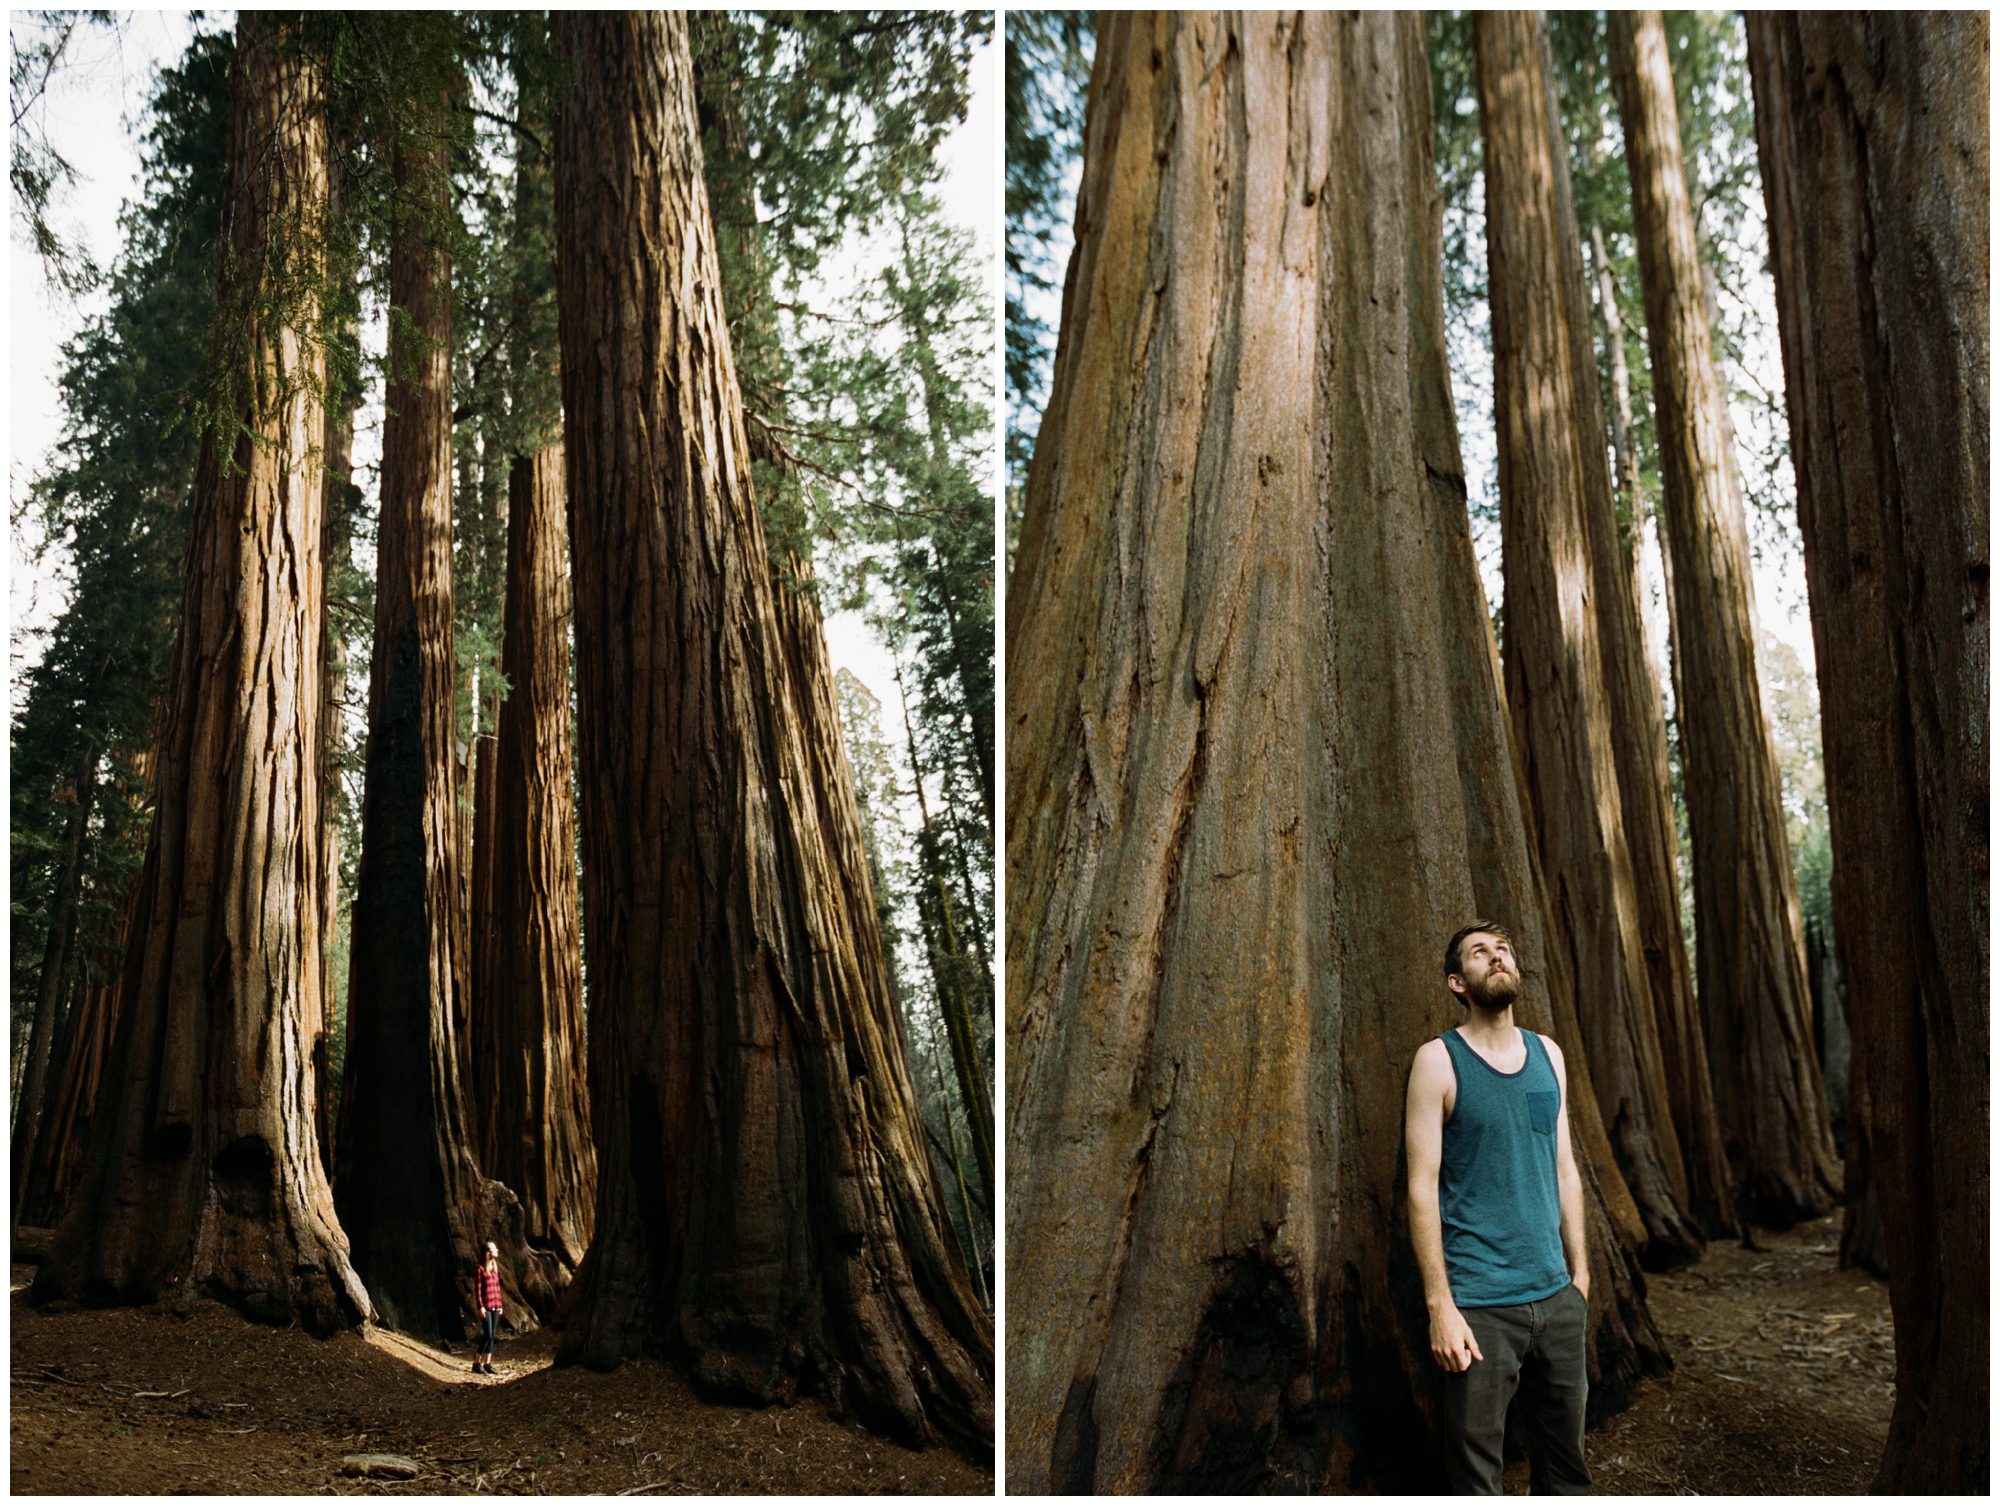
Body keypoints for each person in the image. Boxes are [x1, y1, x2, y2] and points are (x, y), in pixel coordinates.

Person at [1403, 922, 1591, 1494]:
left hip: (1556, 1298)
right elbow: (1421, 1188)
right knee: (1478, 1478)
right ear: (1458, 982)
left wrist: (1579, 1275)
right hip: (1480, 1308)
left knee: (1566, 1472)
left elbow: (1564, 1168)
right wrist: (1441, 1307)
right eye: (1481, 953)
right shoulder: (1438, 1061)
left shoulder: (1548, 1054)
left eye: (1503, 949)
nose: (1498, 956)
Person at [471, 1241, 504, 1377]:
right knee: (488, 1335)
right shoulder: (480, 1269)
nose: (497, 1250)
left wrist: (500, 1304)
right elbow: (478, 1290)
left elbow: (497, 1288)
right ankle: (476, 1363)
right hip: (486, 1306)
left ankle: (487, 1364)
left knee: (492, 1336)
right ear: (488, 1252)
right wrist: (480, 1307)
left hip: (496, 1305)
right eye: (494, 1248)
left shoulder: (494, 1269)